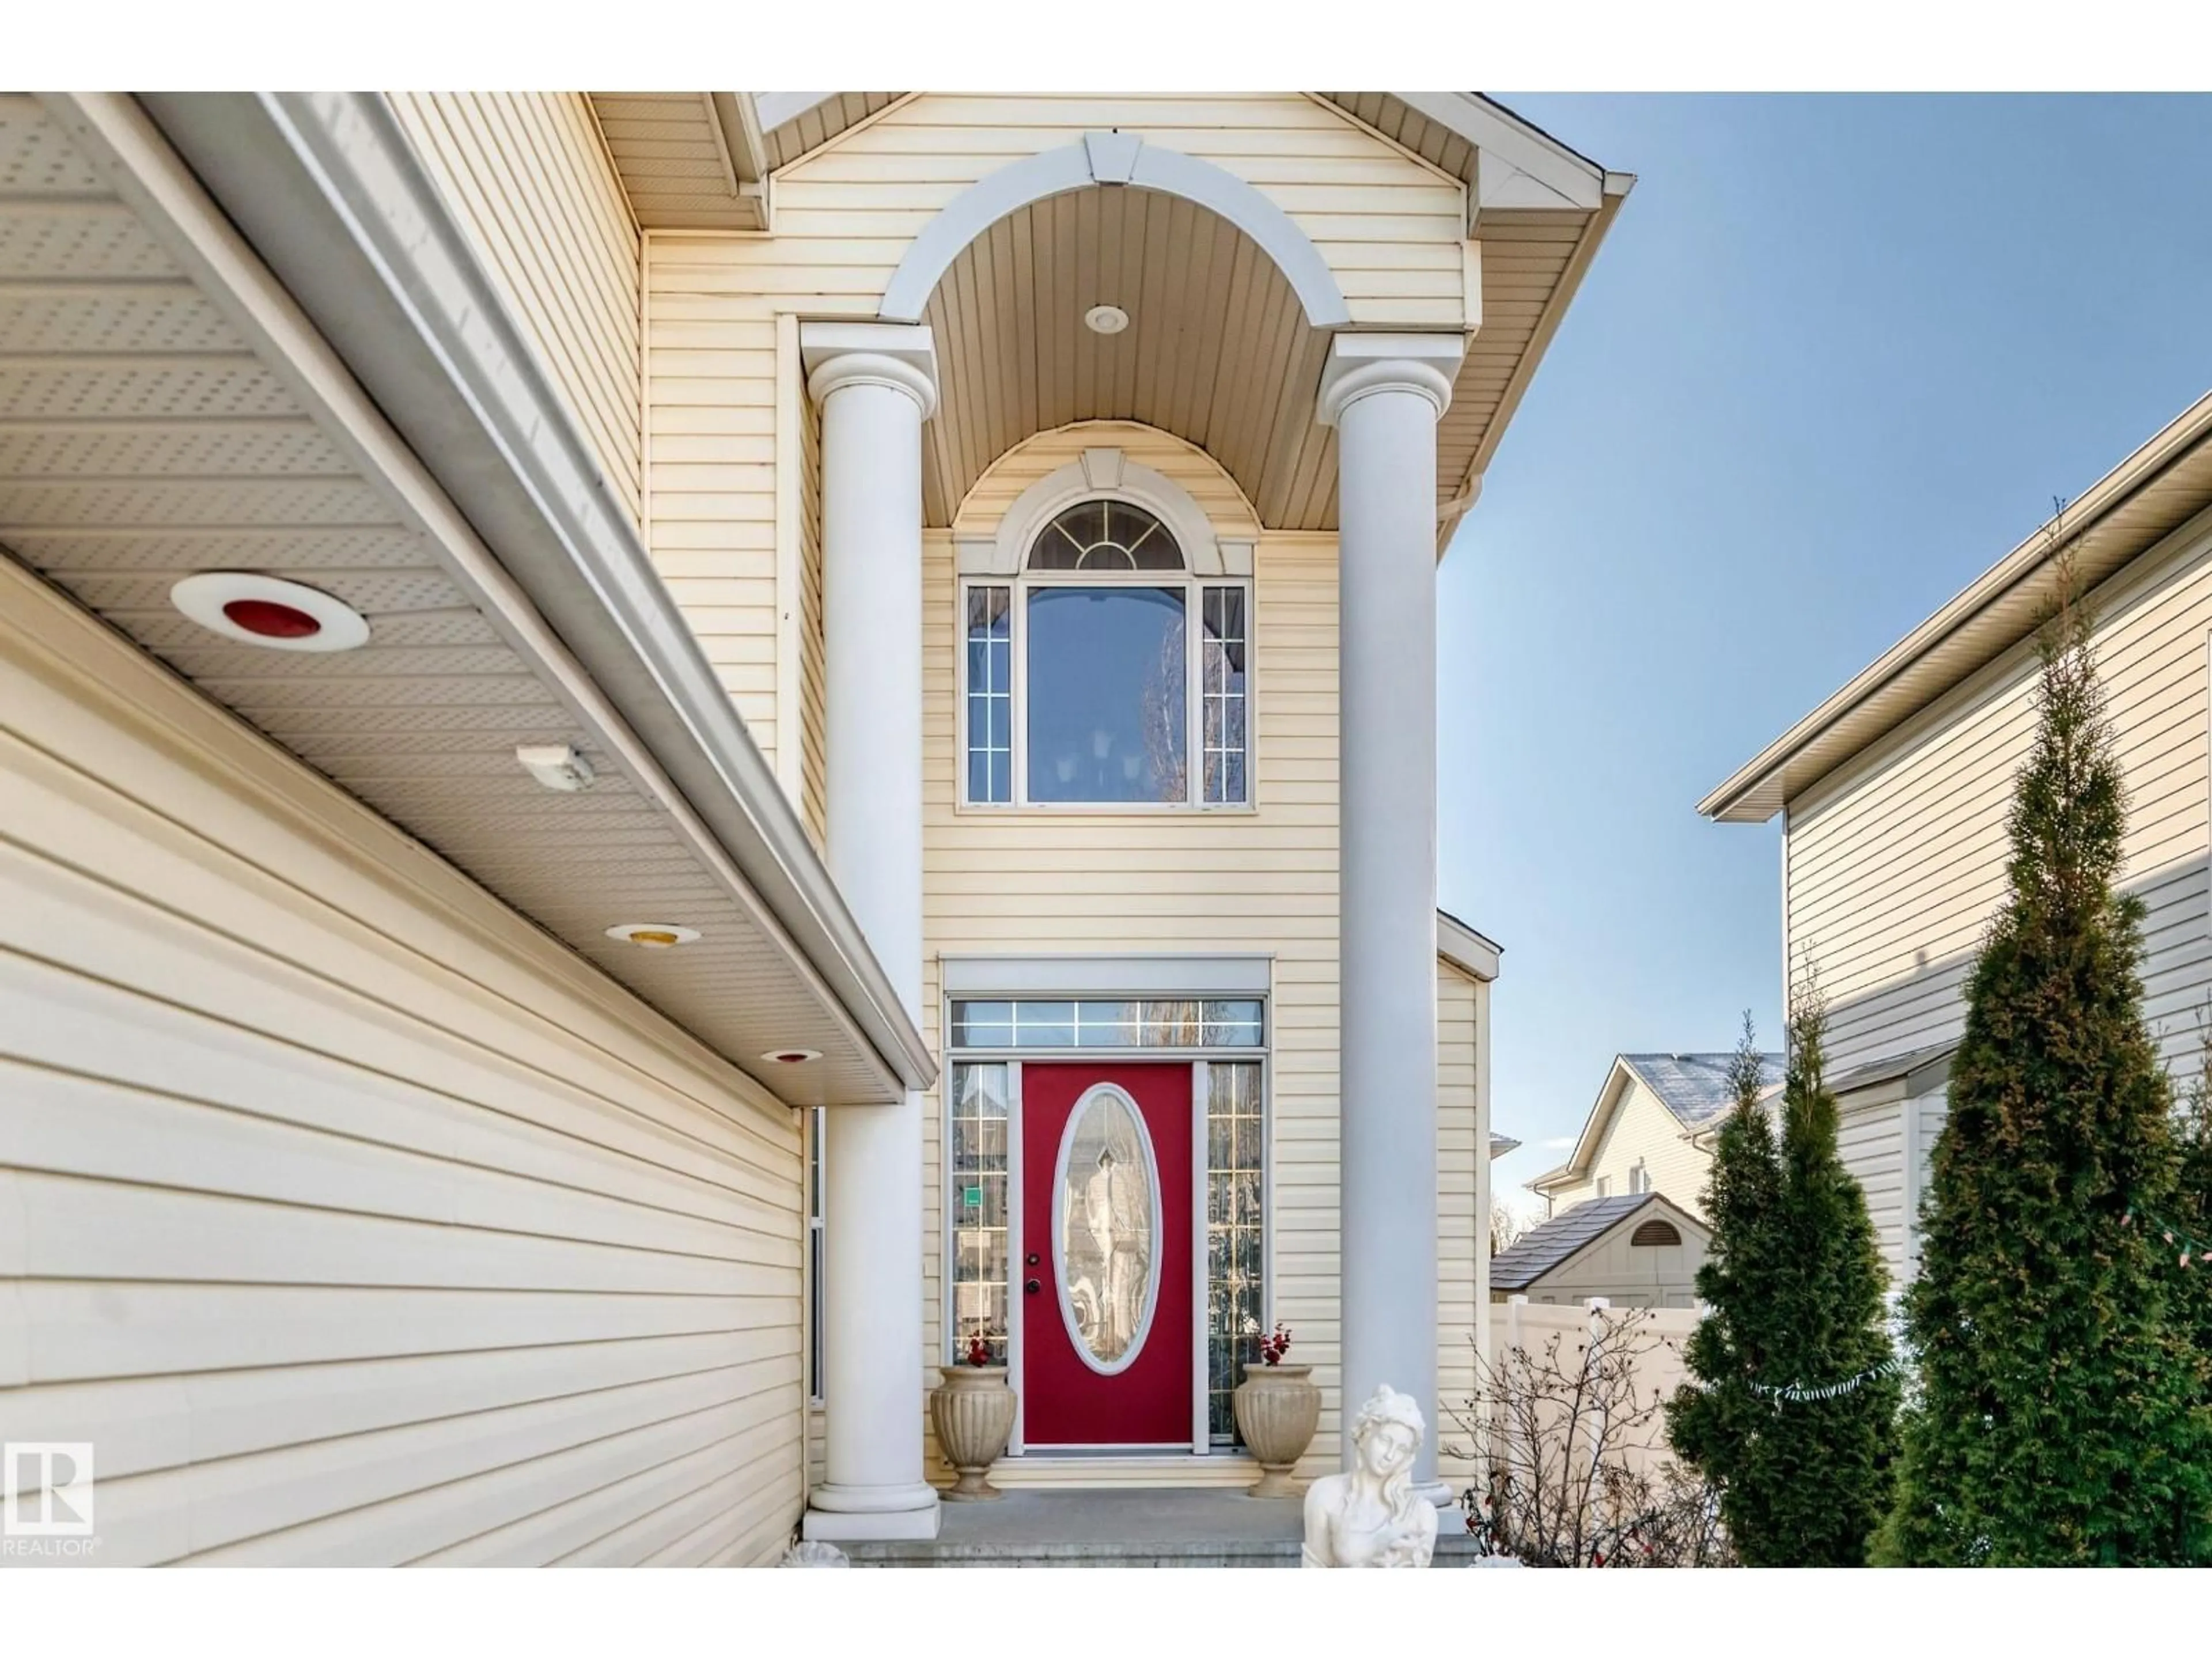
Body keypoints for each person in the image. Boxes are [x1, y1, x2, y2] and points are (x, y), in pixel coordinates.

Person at [1301, 1386, 1438, 1568]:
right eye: (1385, 1441)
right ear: (1365, 1434)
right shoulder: (1325, 1495)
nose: (1390, 1455)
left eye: (1401, 1449)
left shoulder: (1420, 1514)